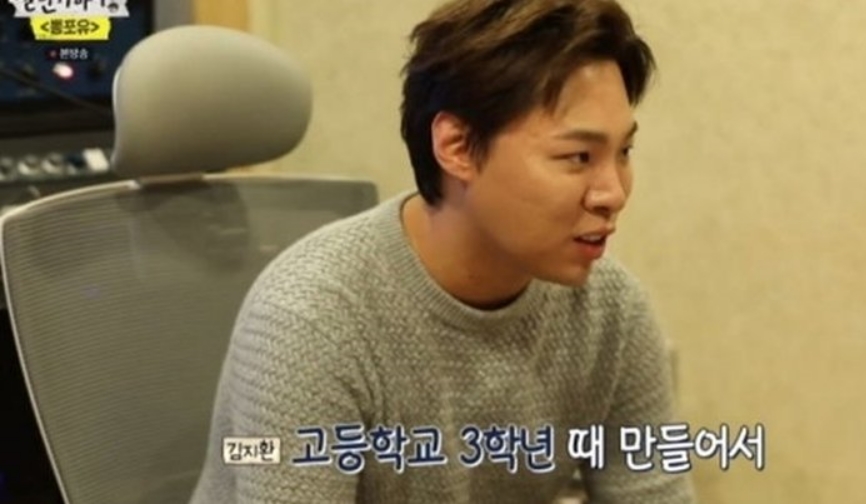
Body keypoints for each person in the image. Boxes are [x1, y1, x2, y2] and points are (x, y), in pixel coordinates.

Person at [190, 0, 696, 502]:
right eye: (578, 156)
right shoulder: (311, 319)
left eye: (623, 152)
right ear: (456, 147)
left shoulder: (612, 310)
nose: (613, 192)